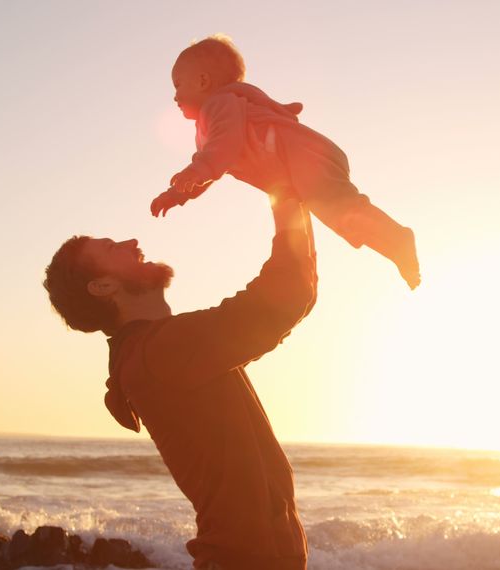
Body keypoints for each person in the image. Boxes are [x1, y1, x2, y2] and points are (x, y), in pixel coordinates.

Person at [43, 142, 316, 570]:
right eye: (113, 247)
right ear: (102, 287)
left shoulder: (154, 350)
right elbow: (284, 298)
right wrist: (283, 190)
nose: (132, 241)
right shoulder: (162, 351)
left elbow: (290, 299)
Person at [151, 33, 421, 290]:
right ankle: (395, 248)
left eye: (178, 85)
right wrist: (178, 194)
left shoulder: (219, 105)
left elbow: (223, 148)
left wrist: (196, 171)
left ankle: (398, 239)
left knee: (341, 209)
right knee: (341, 217)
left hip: (305, 156)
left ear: (202, 81)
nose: (174, 95)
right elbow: (213, 165)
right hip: (303, 162)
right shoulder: (215, 118)